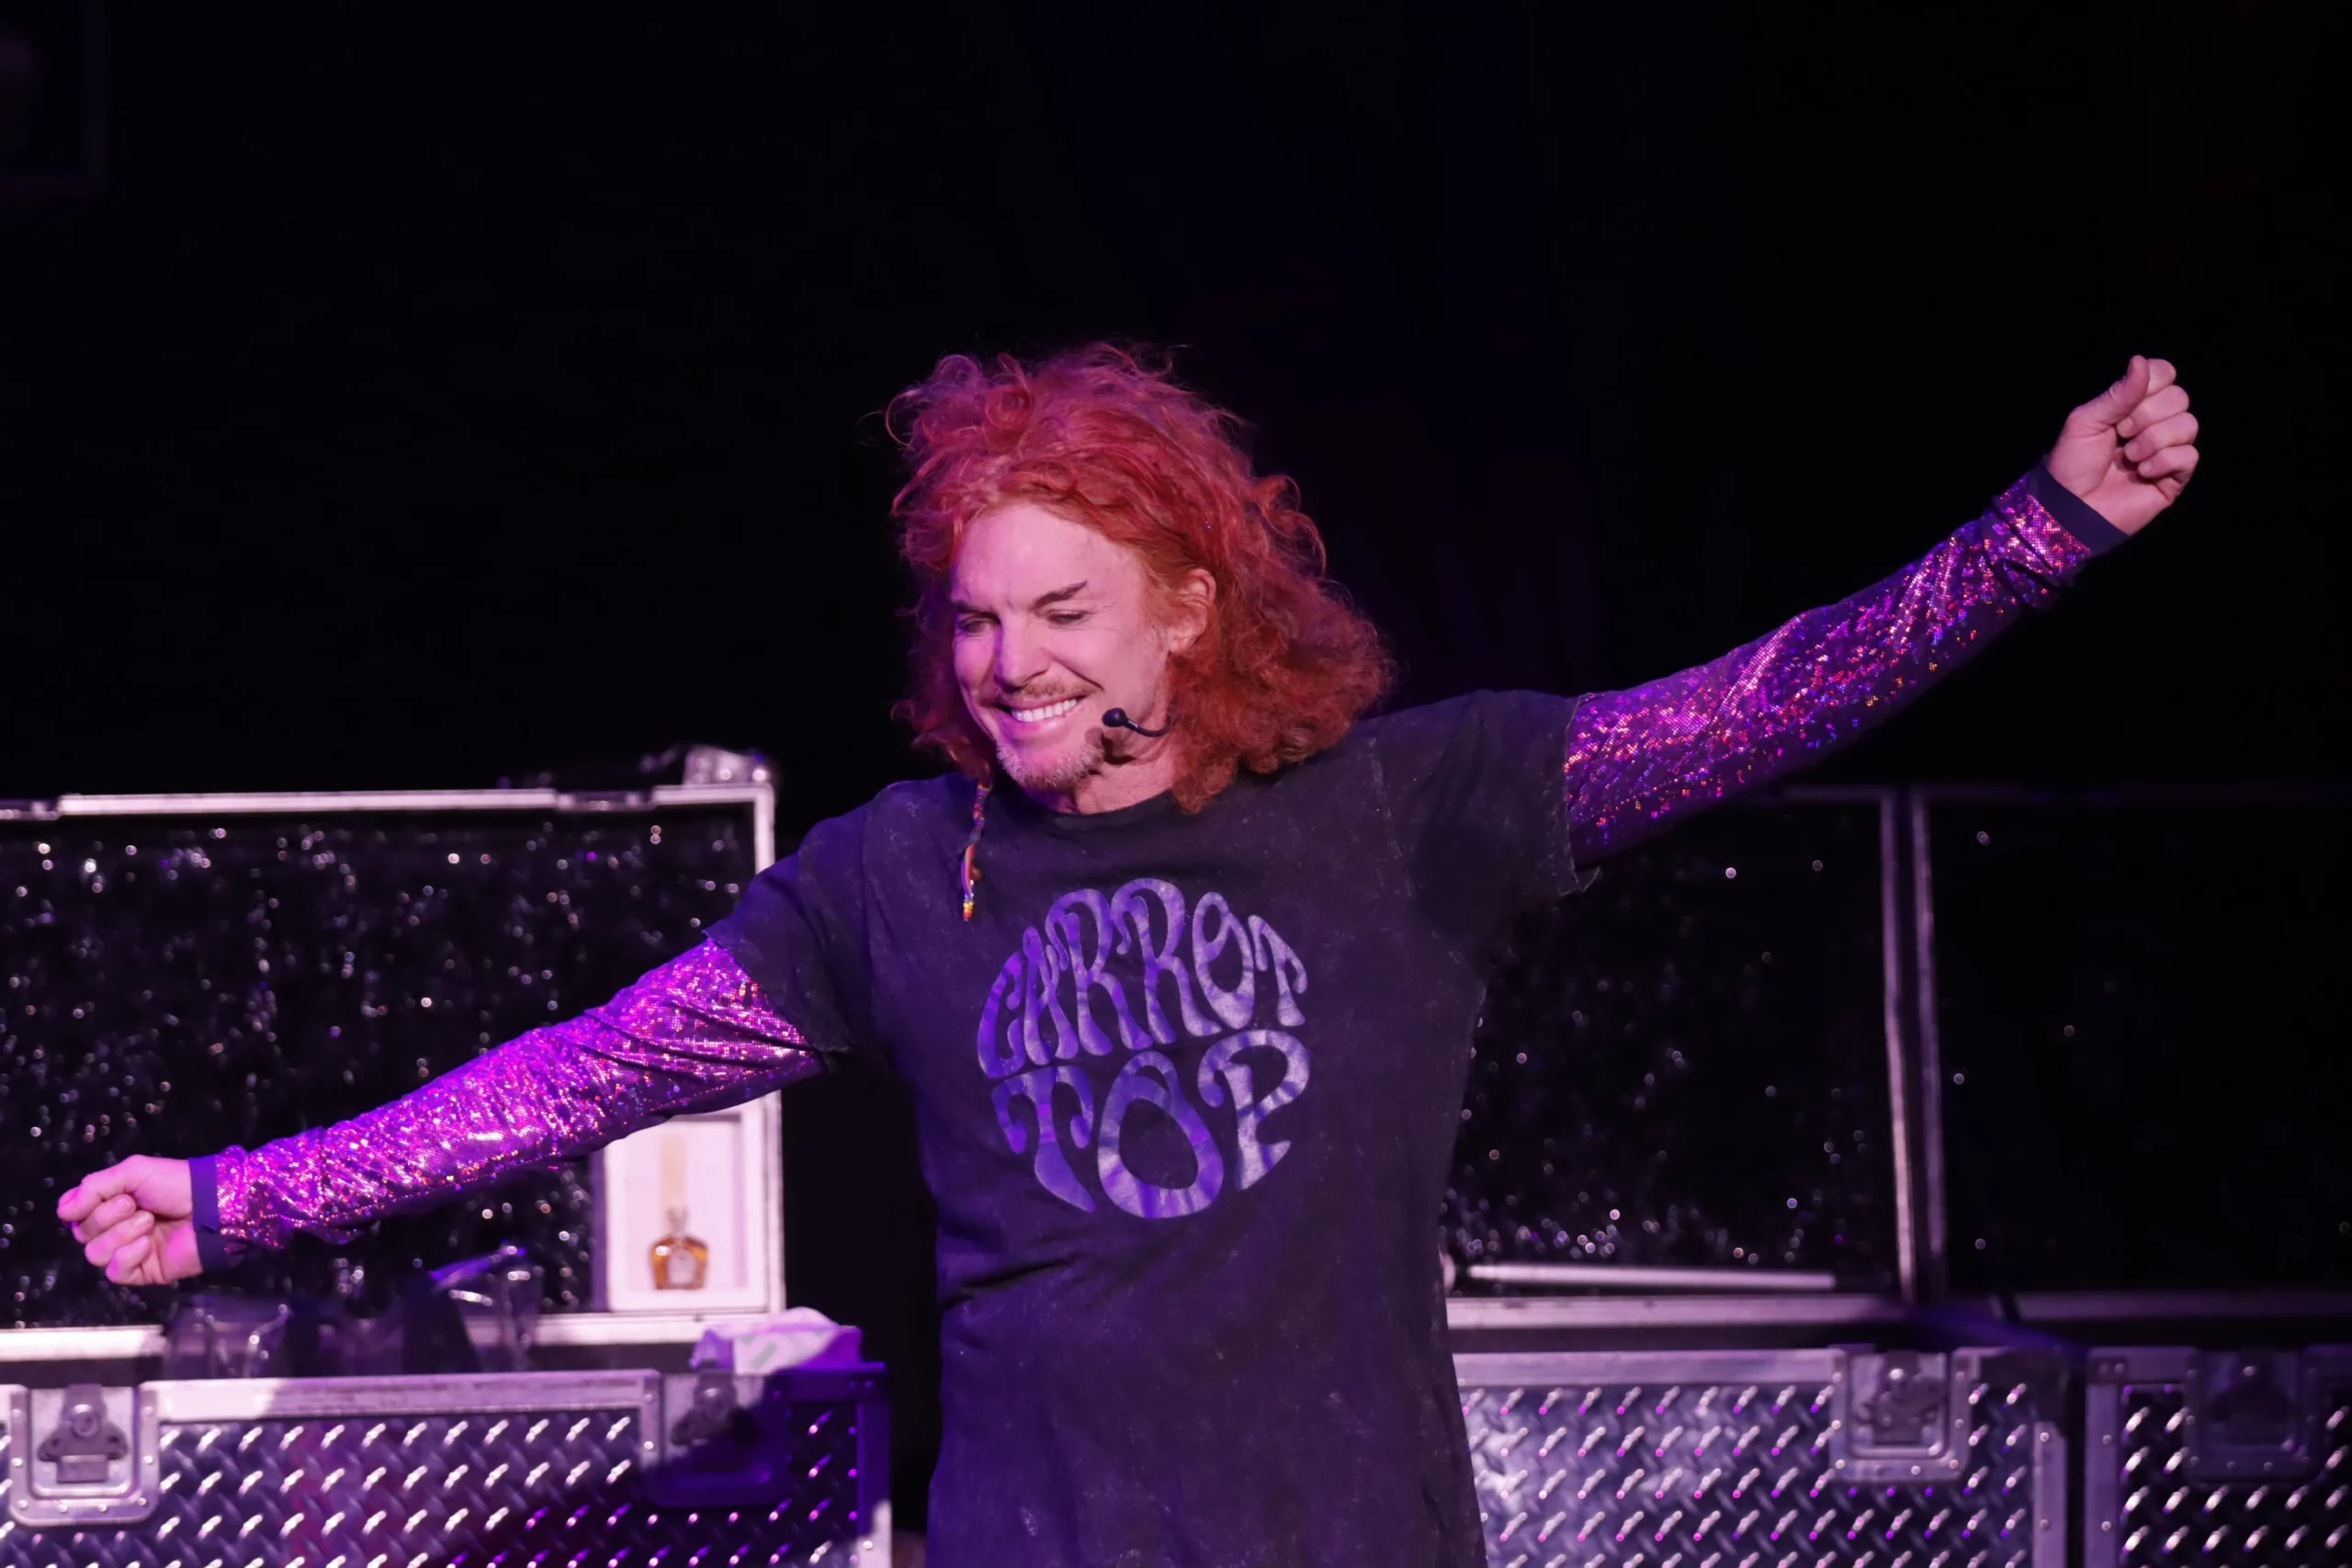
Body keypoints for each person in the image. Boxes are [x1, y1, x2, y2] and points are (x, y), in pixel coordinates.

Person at [61, 344, 2199, 1568]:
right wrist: (246, 1191)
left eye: (1062, 610)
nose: (1006, 662)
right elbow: (586, 1070)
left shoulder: (1398, 812)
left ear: (1188, 605)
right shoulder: (898, 874)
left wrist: (2041, 523)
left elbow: (1749, 706)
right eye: (978, 619)